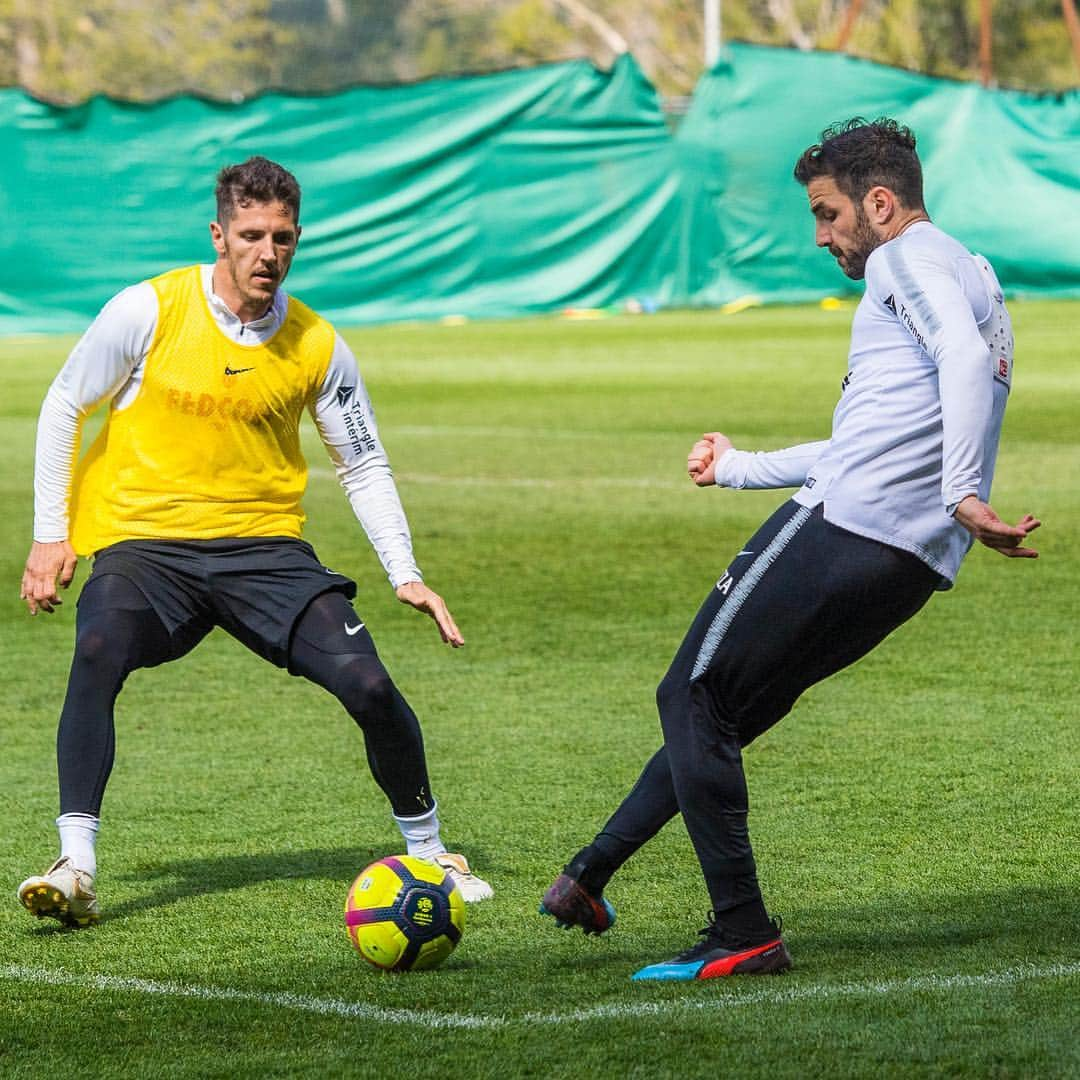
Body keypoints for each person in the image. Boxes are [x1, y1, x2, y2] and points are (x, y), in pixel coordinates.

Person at [540, 118, 1040, 980]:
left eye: (828, 213)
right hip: (907, 562)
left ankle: (743, 932)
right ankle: (588, 875)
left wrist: (964, 492)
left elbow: (955, 365)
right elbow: (874, 434)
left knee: (690, 694)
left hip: (851, 527)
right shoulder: (973, 273)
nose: (821, 237)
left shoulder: (901, 260)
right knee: (720, 713)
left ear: (880, 203)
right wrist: (740, 468)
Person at [18, 156, 492, 929]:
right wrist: (51, 537)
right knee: (99, 646)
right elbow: (65, 403)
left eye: (282, 237)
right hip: (149, 546)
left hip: (264, 551)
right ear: (219, 235)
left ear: (296, 239)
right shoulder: (148, 310)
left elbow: (361, 460)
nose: (267, 252)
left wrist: (404, 572)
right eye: (250, 235)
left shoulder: (316, 343)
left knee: (370, 687)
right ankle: (76, 866)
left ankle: (433, 852)